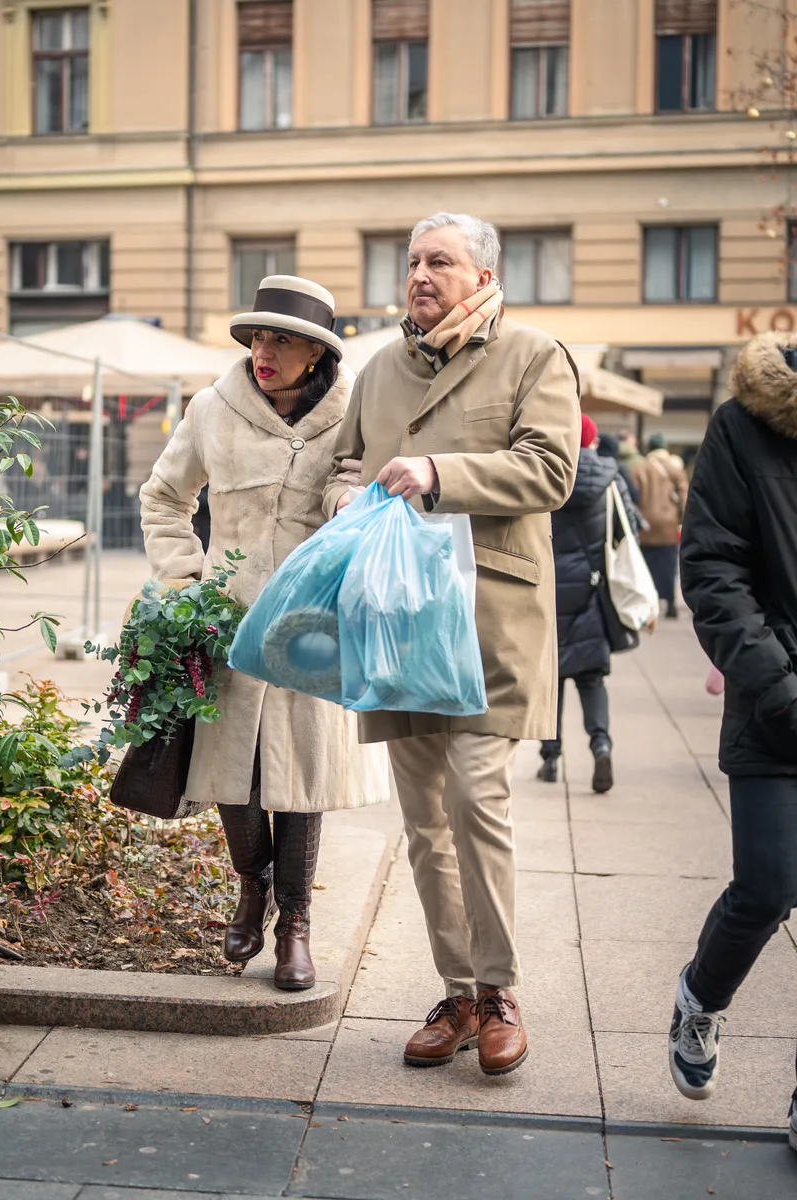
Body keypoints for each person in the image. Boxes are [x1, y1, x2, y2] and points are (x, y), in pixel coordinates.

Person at [324, 212, 579, 1076]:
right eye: (411, 262)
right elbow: (346, 463)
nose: (420, 275)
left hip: (487, 621)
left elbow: (551, 471)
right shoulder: (380, 368)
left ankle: (501, 989)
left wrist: (441, 475)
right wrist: (342, 491)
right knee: (424, 819)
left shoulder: (534, 354)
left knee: (478, 798)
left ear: (483, 276)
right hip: (397, 621)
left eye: (440, 261)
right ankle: (460, 994)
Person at [139, 275, 387, 991]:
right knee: (233, 773)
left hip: (315, 625)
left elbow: (361, 483)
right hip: (231, 621)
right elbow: (163, 495)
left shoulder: (354, 412)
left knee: (301, 777)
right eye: (256, 336)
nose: (263, 350)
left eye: (281, 339)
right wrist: (186, 584)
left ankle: (296, 924)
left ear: (317, 352)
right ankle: (253, 885)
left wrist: (349, 499)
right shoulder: (213, 409)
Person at [669, 332, 797, 1153]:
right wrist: (779, 687)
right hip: (777, 704)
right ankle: (699, 999)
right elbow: (712, 568)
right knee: (768, 886)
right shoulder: (743, 422)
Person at [538, 415, 640, 793]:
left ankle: (550, 757)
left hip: (549, 589)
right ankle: (601, 743)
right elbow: (630, 524)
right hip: (593, 589)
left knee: (551, 677)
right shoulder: (611, 478)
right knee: (591, 676)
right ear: (593, 442)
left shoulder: (547, 472)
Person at [630, 432, 688, 619]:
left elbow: (632, 497)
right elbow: (684, 498)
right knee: (668, 566)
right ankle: (670, 604)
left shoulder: (639, 469)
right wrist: (682, 519)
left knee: (646, 568)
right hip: (668, 526)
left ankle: (648, 606)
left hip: (645, 527)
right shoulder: (674, 469)